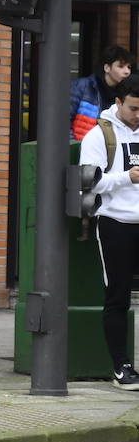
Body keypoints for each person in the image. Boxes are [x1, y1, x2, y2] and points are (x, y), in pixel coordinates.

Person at [79, 75, 139, 391]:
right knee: (117, 297)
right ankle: (121, 368)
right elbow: (89, 182)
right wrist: (127, 177)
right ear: (118, 103)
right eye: (133, 108)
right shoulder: (98, 136)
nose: (138, 115)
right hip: (116, 223)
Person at [71, 45, 133, 141]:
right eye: (121, 66)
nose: (127, 71)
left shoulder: (125, 94)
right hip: (80, 147)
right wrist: (72, 145)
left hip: (109, 150)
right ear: (107, 68)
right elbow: (64, 119)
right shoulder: (83, 86)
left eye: (129, 67)